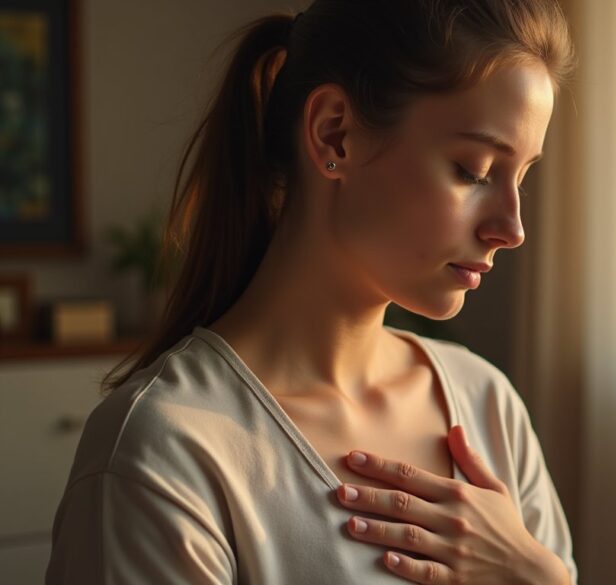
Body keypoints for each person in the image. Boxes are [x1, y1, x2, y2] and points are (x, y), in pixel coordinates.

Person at [44, 1, 578, 583]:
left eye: (522, 176)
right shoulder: (163, 455)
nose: (513, 227)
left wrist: (537, 575)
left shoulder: (487, 403)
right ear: (334, 133)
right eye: (473, 170)